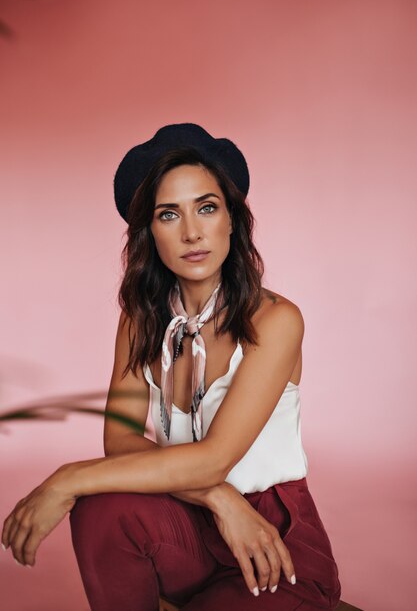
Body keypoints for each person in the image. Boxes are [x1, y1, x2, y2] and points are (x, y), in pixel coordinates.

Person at [1, 123, 341, 610]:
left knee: (89, 490)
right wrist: (219, 499)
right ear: (149, 232)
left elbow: (213, 458)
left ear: (231, 219)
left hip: (273, 542)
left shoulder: (276, 320)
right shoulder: (141, 319)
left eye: (206, 207)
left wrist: (64, 479)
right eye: (168, 214)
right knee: (104, 508)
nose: (191, 232)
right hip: (187, 525)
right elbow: (119, 442)